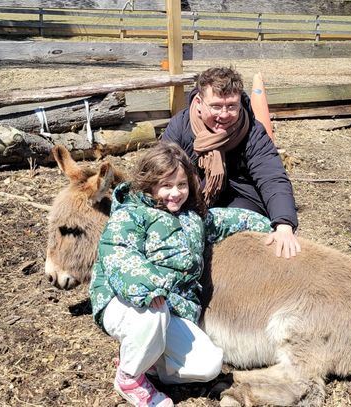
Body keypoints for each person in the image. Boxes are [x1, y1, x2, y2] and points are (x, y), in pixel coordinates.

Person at [89, 143, 273, 407]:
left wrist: (274, 226)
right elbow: (119, 254)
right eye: (166, 185)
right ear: (149, 183)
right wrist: (148, 288)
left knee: (209, 365)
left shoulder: (192, 218)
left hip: (171, 309)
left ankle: (145, 361)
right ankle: (129, 377)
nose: (175, 193)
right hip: (127, 301)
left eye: (182, 185)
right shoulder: (131, 213)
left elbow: (229, 220)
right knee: (152, 315)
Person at [161, 66, 301, 259]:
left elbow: (272, 176)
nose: (225, 114)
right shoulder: (180, 127)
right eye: (216, 106)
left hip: (240, 198)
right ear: (199, 103)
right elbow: (161, 170)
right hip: (192, 195)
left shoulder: (252, 131)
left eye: (232, 106)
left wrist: (284, 223)